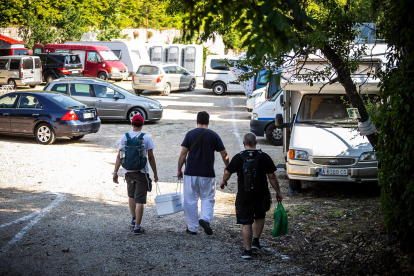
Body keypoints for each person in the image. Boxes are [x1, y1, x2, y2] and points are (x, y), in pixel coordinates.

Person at [221, 132, 283, 259]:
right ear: (256, 143)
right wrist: (278, 192)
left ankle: (248, 251)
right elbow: (272, 176)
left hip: (244, 196)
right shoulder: (264, 157)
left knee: (246, 222)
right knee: (260, 217)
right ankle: (256, 241)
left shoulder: (239, 157)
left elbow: (227, 172)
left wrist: (224, 181)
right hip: (261, 195)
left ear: (244, 143)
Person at [177, 111, 229, 235]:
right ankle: (205, 219)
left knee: (190, 200)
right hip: (207, 173)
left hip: (191, 172)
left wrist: (179, 170)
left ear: (197, 121)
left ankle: (192, 228)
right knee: (208, 198)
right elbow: (224, 153)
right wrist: (227, 166)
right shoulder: (213, 135)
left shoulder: (190, 134)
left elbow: (183, 153)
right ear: (208, 122)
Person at [113, 114, 159, 235]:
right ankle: (137, 228)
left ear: (132, 124)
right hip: (141, 172)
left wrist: (115, 172)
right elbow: (151, 157)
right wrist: (155, 173)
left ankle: (133, 219)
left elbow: (119, 156)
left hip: (128, 172)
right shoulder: (147, 138)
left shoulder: (124, 137)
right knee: (140, 199)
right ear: (142, 124)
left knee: (131, 196)